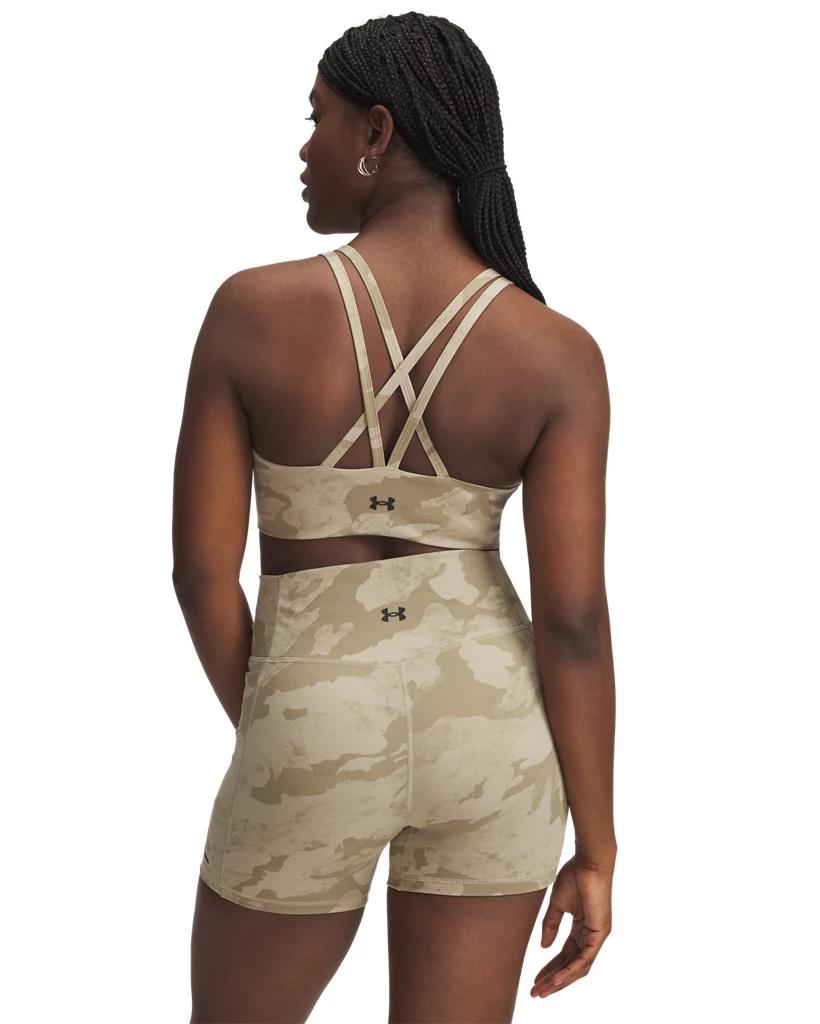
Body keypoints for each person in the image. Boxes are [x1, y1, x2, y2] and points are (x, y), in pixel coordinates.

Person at [172, 12, 616, 1023]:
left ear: (376, 132)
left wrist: (288, 724)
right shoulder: (559, 353)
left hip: (310, 706)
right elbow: (575, 620)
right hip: (495, 728)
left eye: (316, 118)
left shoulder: (250, 310)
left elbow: (200, 575)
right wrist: (596, 846)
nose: (304, 147)